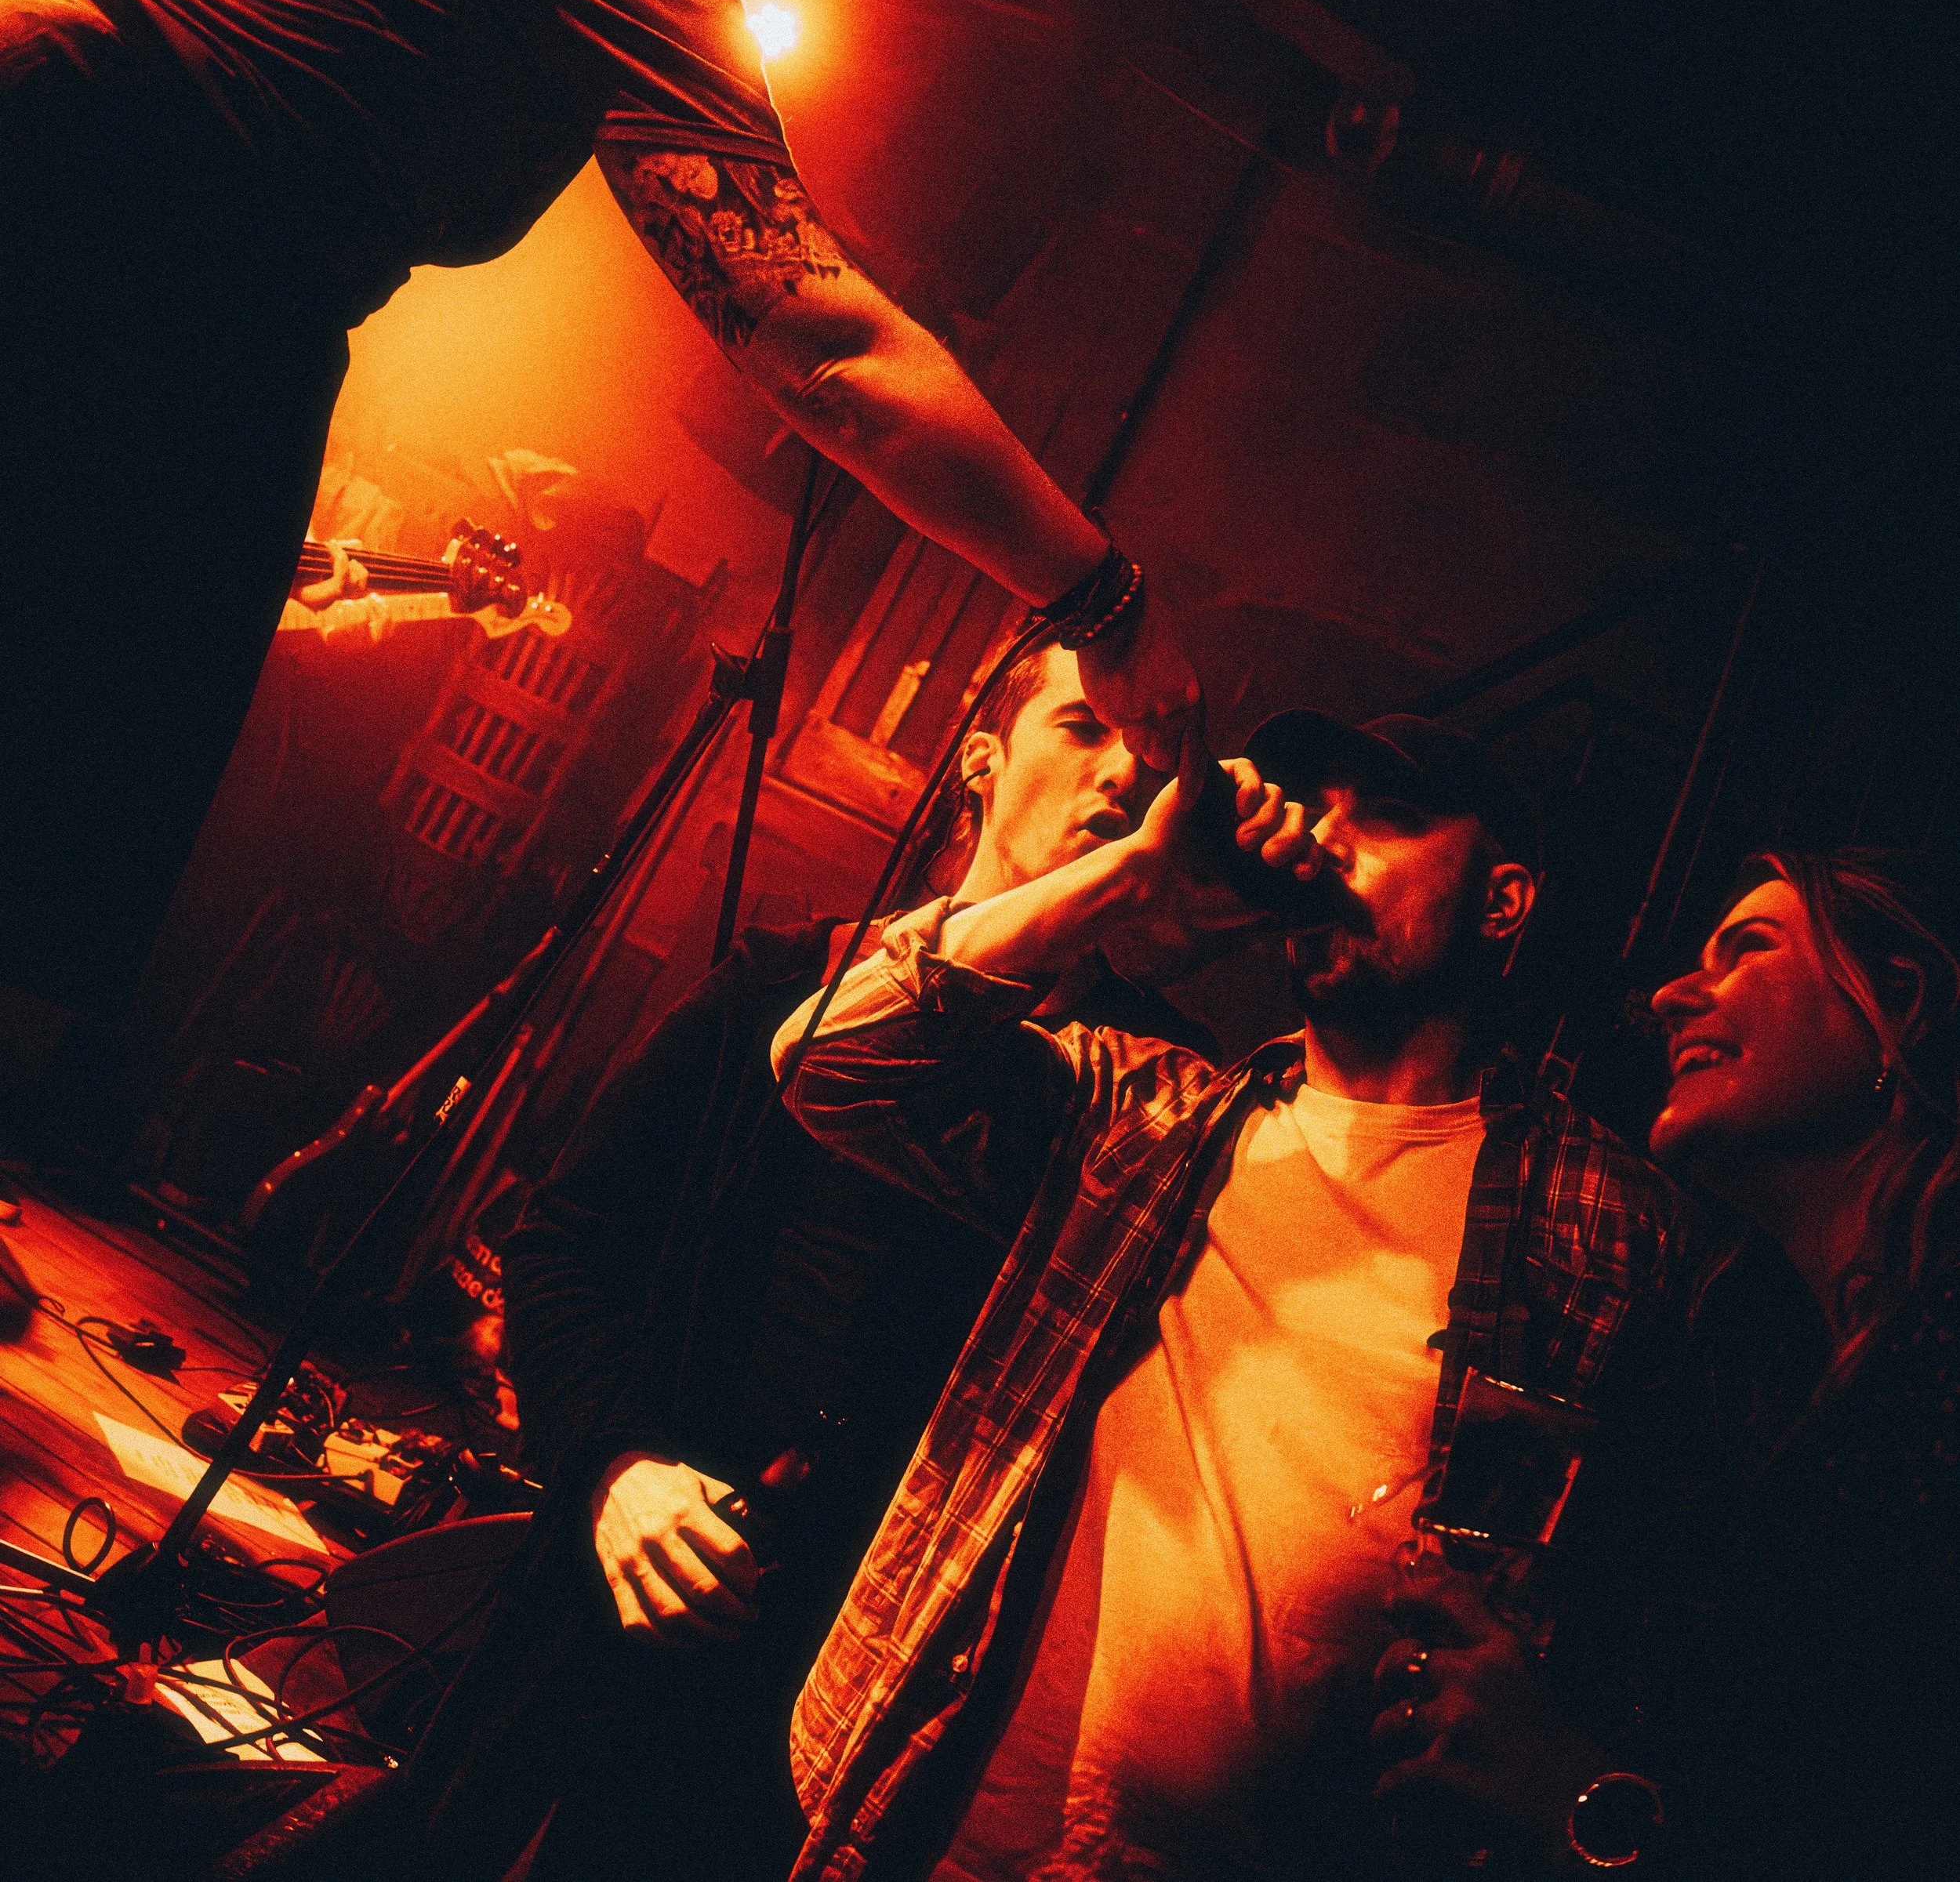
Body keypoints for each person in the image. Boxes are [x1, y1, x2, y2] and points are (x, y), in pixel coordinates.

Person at [0, 0, 1196, 1029]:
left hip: (76, 174)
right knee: (65, 795)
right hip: (141, 245)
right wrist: (1100, 598)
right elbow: (822, 346)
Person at [263, 636, 1235, 1882]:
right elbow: (564, 1238)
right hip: (619, 1592)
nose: (1117, 779)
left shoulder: (1156, 1092)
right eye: (1083, 730)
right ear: (981, 765)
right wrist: (614, 1470)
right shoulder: (792, 982)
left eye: (1149, 760)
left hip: (860, 1679)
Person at [773, 709, 1713, 1882]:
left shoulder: (1607, 1217)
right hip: (929, 1818)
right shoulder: (1146, 1111)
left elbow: (1645, 1599)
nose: (1325, 843)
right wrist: (1136, 877)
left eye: (1391, 820)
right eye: (1318, 811)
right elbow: (830, 1060)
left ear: (1503, 899)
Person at [1372, 844, 1960, 1879]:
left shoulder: (1932, 1369)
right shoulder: (1737, 1364)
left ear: (1895, 1004)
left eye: (1747, 951)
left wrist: (1568, 1791)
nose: (1673, 993)